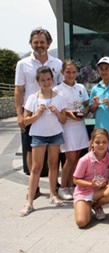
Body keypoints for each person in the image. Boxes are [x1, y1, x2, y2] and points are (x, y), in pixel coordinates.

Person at [14, 27, 63, 199]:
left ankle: (53, 185)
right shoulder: (23, 64)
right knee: (30, 151)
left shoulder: (57, 64)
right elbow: (19, 90)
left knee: (53, 154)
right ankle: (33, 188)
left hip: (52, 115)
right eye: (36, 42)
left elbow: (62, 88)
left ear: (49, 44)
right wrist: (20, 115)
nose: (39, 45)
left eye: (42, 42)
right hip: (32, 114)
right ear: (31, 44)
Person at [19, 66, 67, 217]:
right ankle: (30, 202)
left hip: (55, 134)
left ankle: (53, 194)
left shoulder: (59, 97)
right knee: (36, 167)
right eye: (43, 80)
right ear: (38, 82)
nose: (46, 82)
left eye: (48, 79)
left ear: (53, 80)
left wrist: (56, 111)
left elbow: (64, 119)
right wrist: (37, 114)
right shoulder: (33, 98)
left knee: (53, 165)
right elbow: (26, 121)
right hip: (38, 135)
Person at [54, 60, 90, 200]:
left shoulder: (80, 87)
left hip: (80, 126)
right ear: (62, 72)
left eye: (73, 72)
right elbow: (58, 109)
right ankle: (63, 187)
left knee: (77, 158)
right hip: (67, 126)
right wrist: (69, 113)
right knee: (70, 158)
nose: (70, 74)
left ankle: (72, 185)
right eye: (68, 72)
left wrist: (85, 113)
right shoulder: (57, 90)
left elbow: (86, 104)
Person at [72, 129, 109, 228]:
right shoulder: (84, 160)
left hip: (100, 191)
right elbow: (76, 180)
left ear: (108, 142)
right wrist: (91, 184)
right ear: (91, 143)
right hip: (84, 192)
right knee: (82, 222)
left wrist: (108, 181)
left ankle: (96, 205)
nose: (101, 145)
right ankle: (86, 206)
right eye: (97, 142)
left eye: (104, 142)